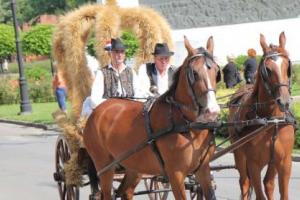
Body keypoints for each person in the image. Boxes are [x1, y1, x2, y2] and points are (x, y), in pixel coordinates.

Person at [81, 38, 144, 117]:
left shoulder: (131, 72)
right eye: (116, 52)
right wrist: (114, 107)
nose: (119, 55)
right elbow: (95, 99)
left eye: (122, 52)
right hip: (109, 114)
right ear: (110, 54)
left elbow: (139, 93)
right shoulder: (102, 73)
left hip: (129, 112)